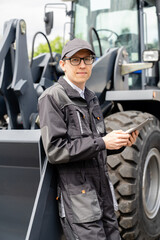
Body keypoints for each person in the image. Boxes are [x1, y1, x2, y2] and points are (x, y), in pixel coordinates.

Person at [38, 38, 138, 240]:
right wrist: (103, 142)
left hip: (103, 194)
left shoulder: (91, 97)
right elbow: (56, 150)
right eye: (75, 60)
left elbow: (96, 145)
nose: (82, 65)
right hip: (79, 201)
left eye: (87, 59)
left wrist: (118, 143)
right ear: (63, 64)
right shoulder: (52, 98)